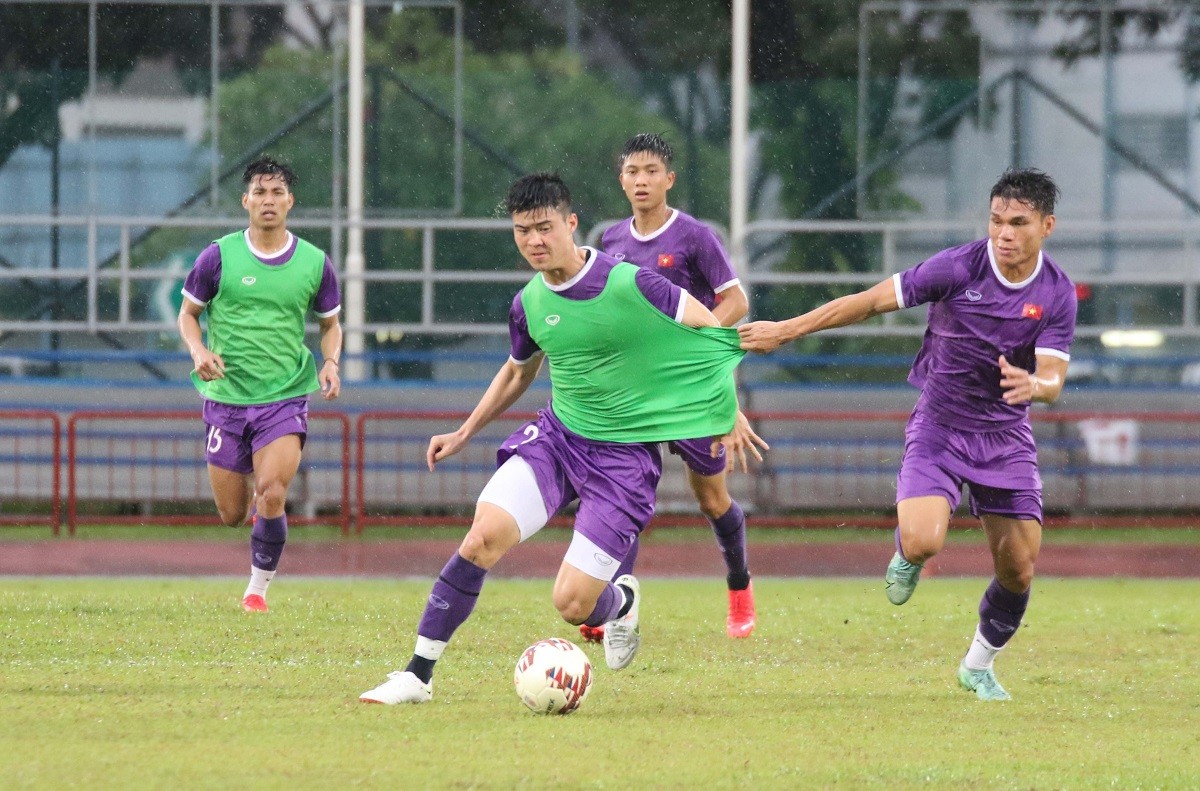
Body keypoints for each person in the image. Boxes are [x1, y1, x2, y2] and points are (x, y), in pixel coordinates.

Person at [359, 172, 765, 705]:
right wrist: (464, 431)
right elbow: (516, 373)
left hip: (623, 460)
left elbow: (711, 334)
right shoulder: (528, 303)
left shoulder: (632, 284)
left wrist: (725, 408)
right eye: (522, 231)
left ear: (570, 224)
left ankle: (619, 602)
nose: (533, 241)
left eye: (544, 228)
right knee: (482, 537)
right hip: (557, 441)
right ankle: (417, 676)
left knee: (573, 604)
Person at [739, 169, 1076, 701]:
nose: (1004, 233)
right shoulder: (957, 267)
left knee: (1019, 569)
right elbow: (870, 301)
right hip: (940, 425)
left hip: (1006, 437)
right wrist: (786, 330)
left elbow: (1054, 380)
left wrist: (1035, 383)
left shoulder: (1056, 292)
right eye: (995, 221)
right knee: (924, 540)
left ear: (1046, 226)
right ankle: (906, 553)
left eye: (1018, 223)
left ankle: (977, 665)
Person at [587, 132, 756, 642]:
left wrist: (690, 349)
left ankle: (740, 588)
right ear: (621, 180)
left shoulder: (695, 237)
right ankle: (614, 609)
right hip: (634, 392)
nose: (641, 180)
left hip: (688, 391)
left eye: (651, 171)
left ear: (669, 179)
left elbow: (736, 303)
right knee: (627, 494)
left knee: (711, 498)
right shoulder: (611, 241)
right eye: (633, 171)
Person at [178, 156, 343, 613]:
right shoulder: (218, 256)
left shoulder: (314, 262)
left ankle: (257, 589)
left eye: (277, 193)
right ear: (245, 200)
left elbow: (331, 324)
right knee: (232, 514)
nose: (268, 201)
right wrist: (199, 352)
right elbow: (188, 315)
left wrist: (330, 361)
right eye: (260, 192)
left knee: (272, 491)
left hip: (285, 395)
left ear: (290, 201)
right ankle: (257, 518)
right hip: (227, 399)